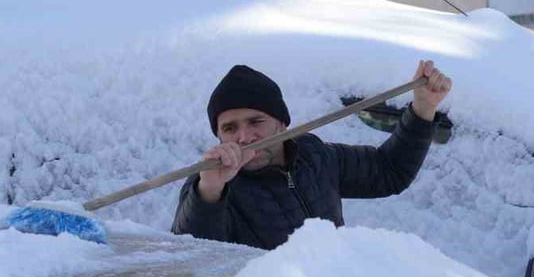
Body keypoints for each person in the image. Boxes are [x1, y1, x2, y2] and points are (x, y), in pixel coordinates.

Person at [171, 61, 452, 249]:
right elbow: (193, 261)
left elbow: (389, 172)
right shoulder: (210, 185)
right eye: (230, 128)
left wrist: (423, 108)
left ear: (282, 123)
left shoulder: (313, 156)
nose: (244, 137)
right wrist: (209, 191)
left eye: (256, 122)